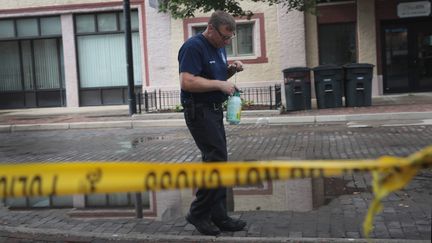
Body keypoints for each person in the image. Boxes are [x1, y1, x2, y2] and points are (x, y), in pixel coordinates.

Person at [178, 10, 247, 236]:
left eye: (230, 38)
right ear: (210, 28)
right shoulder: (193, 47)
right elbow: (187, 82)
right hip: (198, 111)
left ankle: (218, 215)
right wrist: (219, 85)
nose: (226, 42)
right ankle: (198, 213)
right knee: (216, 159)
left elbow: (214, 77)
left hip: (214, 111)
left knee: (218, 162)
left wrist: (230, 70)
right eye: (224, 37)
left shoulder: (219, 48)